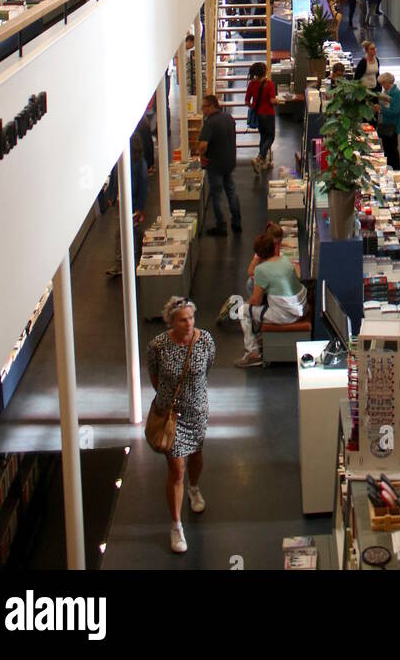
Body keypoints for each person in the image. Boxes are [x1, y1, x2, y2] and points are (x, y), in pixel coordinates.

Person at [146, 297, 216, 554]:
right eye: (182, 319)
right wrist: (168, 399)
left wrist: (193, 394)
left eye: (191, 318)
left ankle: (194, 488)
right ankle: (176, 525)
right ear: (171, 322)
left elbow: (207, 368)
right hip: (172, 414)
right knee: (176, 468)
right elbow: (154, 376)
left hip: (197, 410)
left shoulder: (205, 340)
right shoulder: (158, 346)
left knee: (196, 454)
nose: (188, 323)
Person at [236, 231, 308, 368]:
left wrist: (247, 303)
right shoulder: (284, 260)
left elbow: (256, 300)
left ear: (258, 254)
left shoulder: (262, 270)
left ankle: (253, 353)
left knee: (243, 311)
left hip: (286, 316)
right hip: (300, 307)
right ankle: (260, 340)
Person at [105, 129, 149, 277]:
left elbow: (143, 186)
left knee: (124, 232)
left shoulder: (139, 163)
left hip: (132, 203)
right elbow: (114, 177)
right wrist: (112, 195)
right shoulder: (120, 158)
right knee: (126, 231)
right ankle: (127, 260)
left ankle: (125, 262)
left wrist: (140, 208)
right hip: (120, 201)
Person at [198, 94, 241, 236]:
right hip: (229, 161)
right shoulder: (229, 118)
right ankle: (236, 222)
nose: (202, 110)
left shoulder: (210, 123)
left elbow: (203, 145)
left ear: (211, 106)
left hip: (215, 164)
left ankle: (221, 226)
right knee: (231, 192)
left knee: (216, 195)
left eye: (204, 107)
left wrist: (201, 155)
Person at [244, 61, 276, 172]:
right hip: (268, 114)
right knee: (271, 137)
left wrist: (254, 106)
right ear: (265, 72)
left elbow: (247, 102)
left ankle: (263, 162)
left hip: (258, 114)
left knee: (263, 137)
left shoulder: (251, 84)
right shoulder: (269, 84)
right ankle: (259, 158)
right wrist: (277, 101)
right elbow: (272, 100)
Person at [375, 71, 400, 170]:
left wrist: (381, 109)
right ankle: (390, 168)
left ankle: (396, 169)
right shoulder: (386, 92)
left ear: (388, 82)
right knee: (387, 149)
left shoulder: (396, 93)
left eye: (383, 83)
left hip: (393, 125)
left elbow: (395, 111)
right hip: (386, 124)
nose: (382, 86)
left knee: (392, 149)